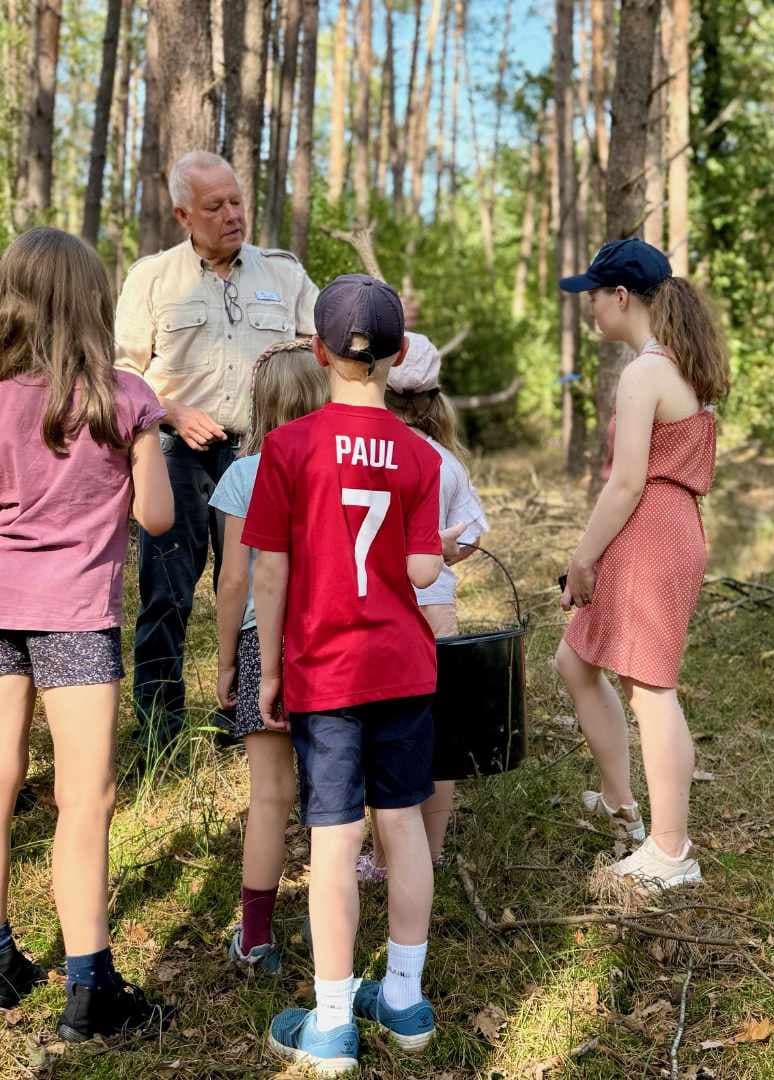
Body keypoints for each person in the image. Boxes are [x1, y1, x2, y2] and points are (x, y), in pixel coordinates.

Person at [0, 228, 176, 1041]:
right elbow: (157, 515)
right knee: (86, 797)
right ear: (95, 303)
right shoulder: (125, 397)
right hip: (76, 613)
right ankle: (91, 988)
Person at [245, 275, 462, 1075]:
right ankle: (404, 999)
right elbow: (419, 562)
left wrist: (267, 670)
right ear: (399, 356)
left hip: (325, 670)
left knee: (333, 843)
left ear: (318, 350)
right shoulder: (418, 453)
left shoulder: (290, 447)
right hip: (403, 666)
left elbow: (271, 571)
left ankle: (333, 1019)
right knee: (401, 825)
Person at [115, 150, 320, 754]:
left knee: (265, 589)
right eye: (215, 206)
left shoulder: (283, 274)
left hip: (265, 459)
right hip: (177, 456)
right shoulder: (152, 278)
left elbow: (319, 352)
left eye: (237, 201)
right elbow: (123, 373)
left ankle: (258, 715)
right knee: (165, 592)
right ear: (183, 214)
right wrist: (171, 411)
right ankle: (160, 732)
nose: (232, 214)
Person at [554, 237, 730, 893]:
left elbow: (626, 482)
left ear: (621, 297)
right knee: (574, 662)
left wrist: (582, 558)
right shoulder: (673, 365)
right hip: (662, 527)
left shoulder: (644, 372)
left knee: (651, 691)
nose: (590, 309)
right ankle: (620, 802)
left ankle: (670, 850)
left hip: (649, 530)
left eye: (593, 297)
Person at [207, 337, 328, 975]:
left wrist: (226, 659)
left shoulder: (243, 475)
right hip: (331, 638)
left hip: (262, 640)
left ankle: (256, 935)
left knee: (270, 795)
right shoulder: (340, 466)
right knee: (332, 793)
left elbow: (233, 581)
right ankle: (330, 924)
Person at [358, 331, 488, 882]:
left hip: (375, 612)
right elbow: (474, 533)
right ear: (436, 401)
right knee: (439, 736)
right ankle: (429, 852)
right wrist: (445, 547)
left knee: (381, 734)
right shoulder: (445, 463)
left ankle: (385, 856)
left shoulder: (367, 451)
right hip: (435, 611)